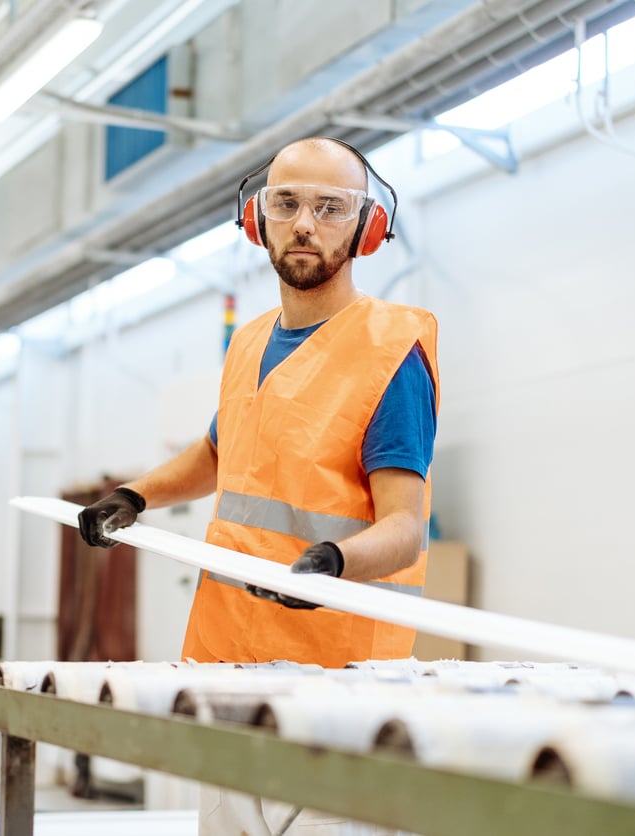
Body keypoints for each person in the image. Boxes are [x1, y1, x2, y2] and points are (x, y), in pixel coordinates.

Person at [78, 136, 439, 832]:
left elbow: (404, 529)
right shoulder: (248, 344)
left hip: (332, 683)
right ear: (257, 221)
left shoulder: (390, 353)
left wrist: (330, 564)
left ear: (366, 229)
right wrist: (135, 497)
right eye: (287, 203)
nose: (306, 223)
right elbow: (218, 452)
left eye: (332, 207)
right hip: (229, 668)